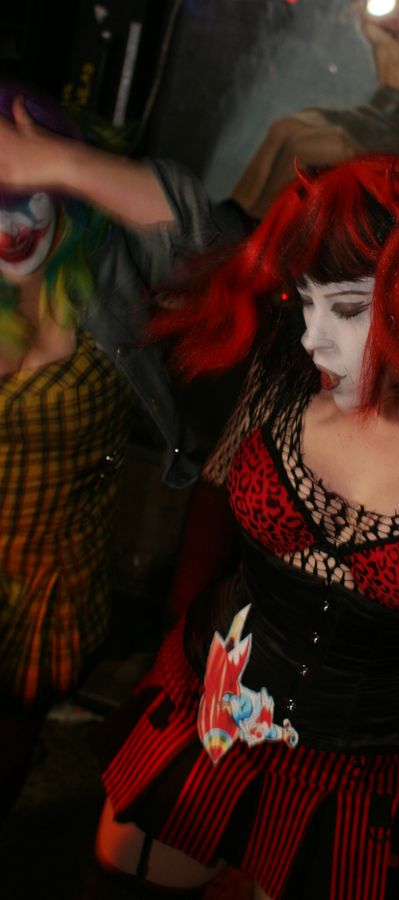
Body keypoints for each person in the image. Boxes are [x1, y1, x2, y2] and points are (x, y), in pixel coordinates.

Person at [93, 154, 399, 900]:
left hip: (367, 769)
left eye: (349, 309)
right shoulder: (290, 372)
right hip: (213, 701)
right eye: (304, 301)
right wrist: (180, 611)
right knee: (122, 868)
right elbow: (220, 481)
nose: (313, 339)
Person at [0, 82, 246, 813]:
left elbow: (221, 248)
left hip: (54, 574)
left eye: (24, 192)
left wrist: (68, 165)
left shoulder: (106, 261)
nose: (10, 225)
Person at [231, 0, 399, 219]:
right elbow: (370, 26)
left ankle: (256, 230)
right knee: (283, 127)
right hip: (376, 108)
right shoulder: (389, 16)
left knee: (304, 148)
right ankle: (232, 215)